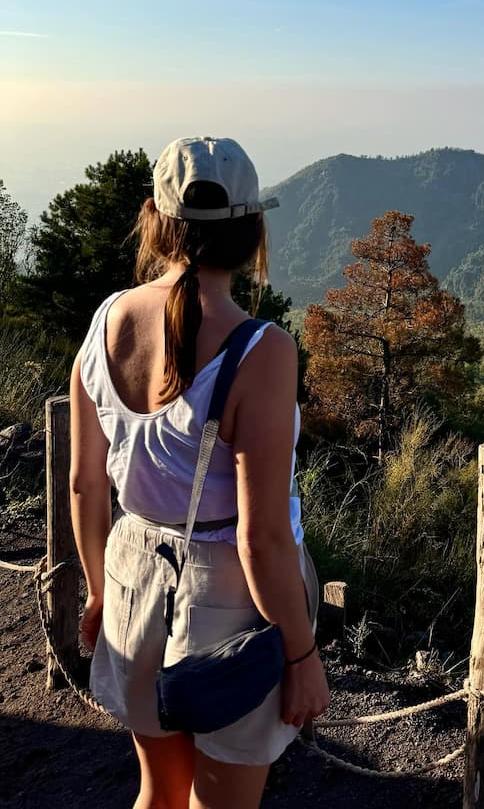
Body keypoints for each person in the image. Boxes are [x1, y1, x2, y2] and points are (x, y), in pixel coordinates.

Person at [69, 136, 330, 809]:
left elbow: (85, 485)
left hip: (131, 573)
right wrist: (302, 659)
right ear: (253, 230)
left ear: (155, 220)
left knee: (157, 793)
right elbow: (262, 539)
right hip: (230, 603)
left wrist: (100, 592)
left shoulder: (104, 324)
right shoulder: (262, 351)